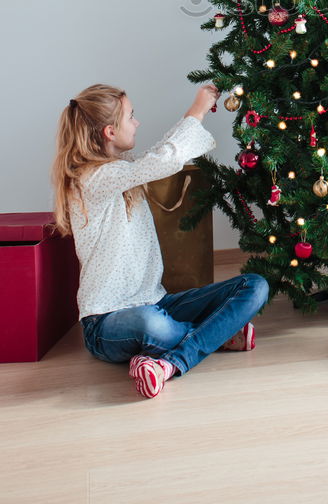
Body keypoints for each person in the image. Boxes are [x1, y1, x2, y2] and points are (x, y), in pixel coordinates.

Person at [51, 83, 269, 397]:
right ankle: (204, 344)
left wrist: (194, 114)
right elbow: (160, 161)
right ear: (110, 132)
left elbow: (160, 155)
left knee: (255, 286)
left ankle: (166, 361)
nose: (136, 123)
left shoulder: (122, 170)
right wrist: (196, 110)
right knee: (150, 324)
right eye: (131, 116)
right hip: (106, 322)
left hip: (157, 302)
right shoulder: (92, 179)